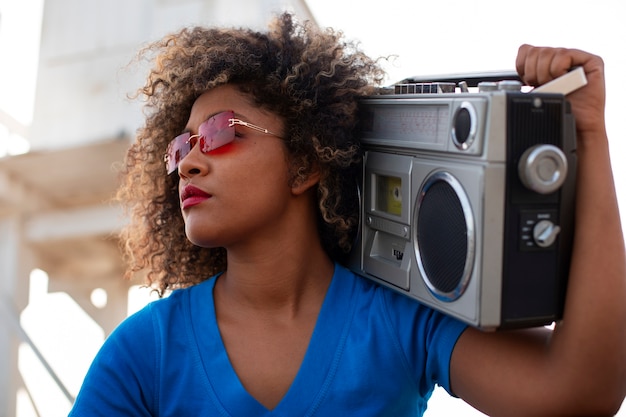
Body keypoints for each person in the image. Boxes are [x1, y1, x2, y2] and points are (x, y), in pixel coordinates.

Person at [68, 12, 625, 416]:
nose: (188, 161)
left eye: (219, 133)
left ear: (307, 161)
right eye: (180, 146)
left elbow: (579, 392)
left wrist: (588, 136)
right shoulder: (143, 353)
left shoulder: (398, 319)